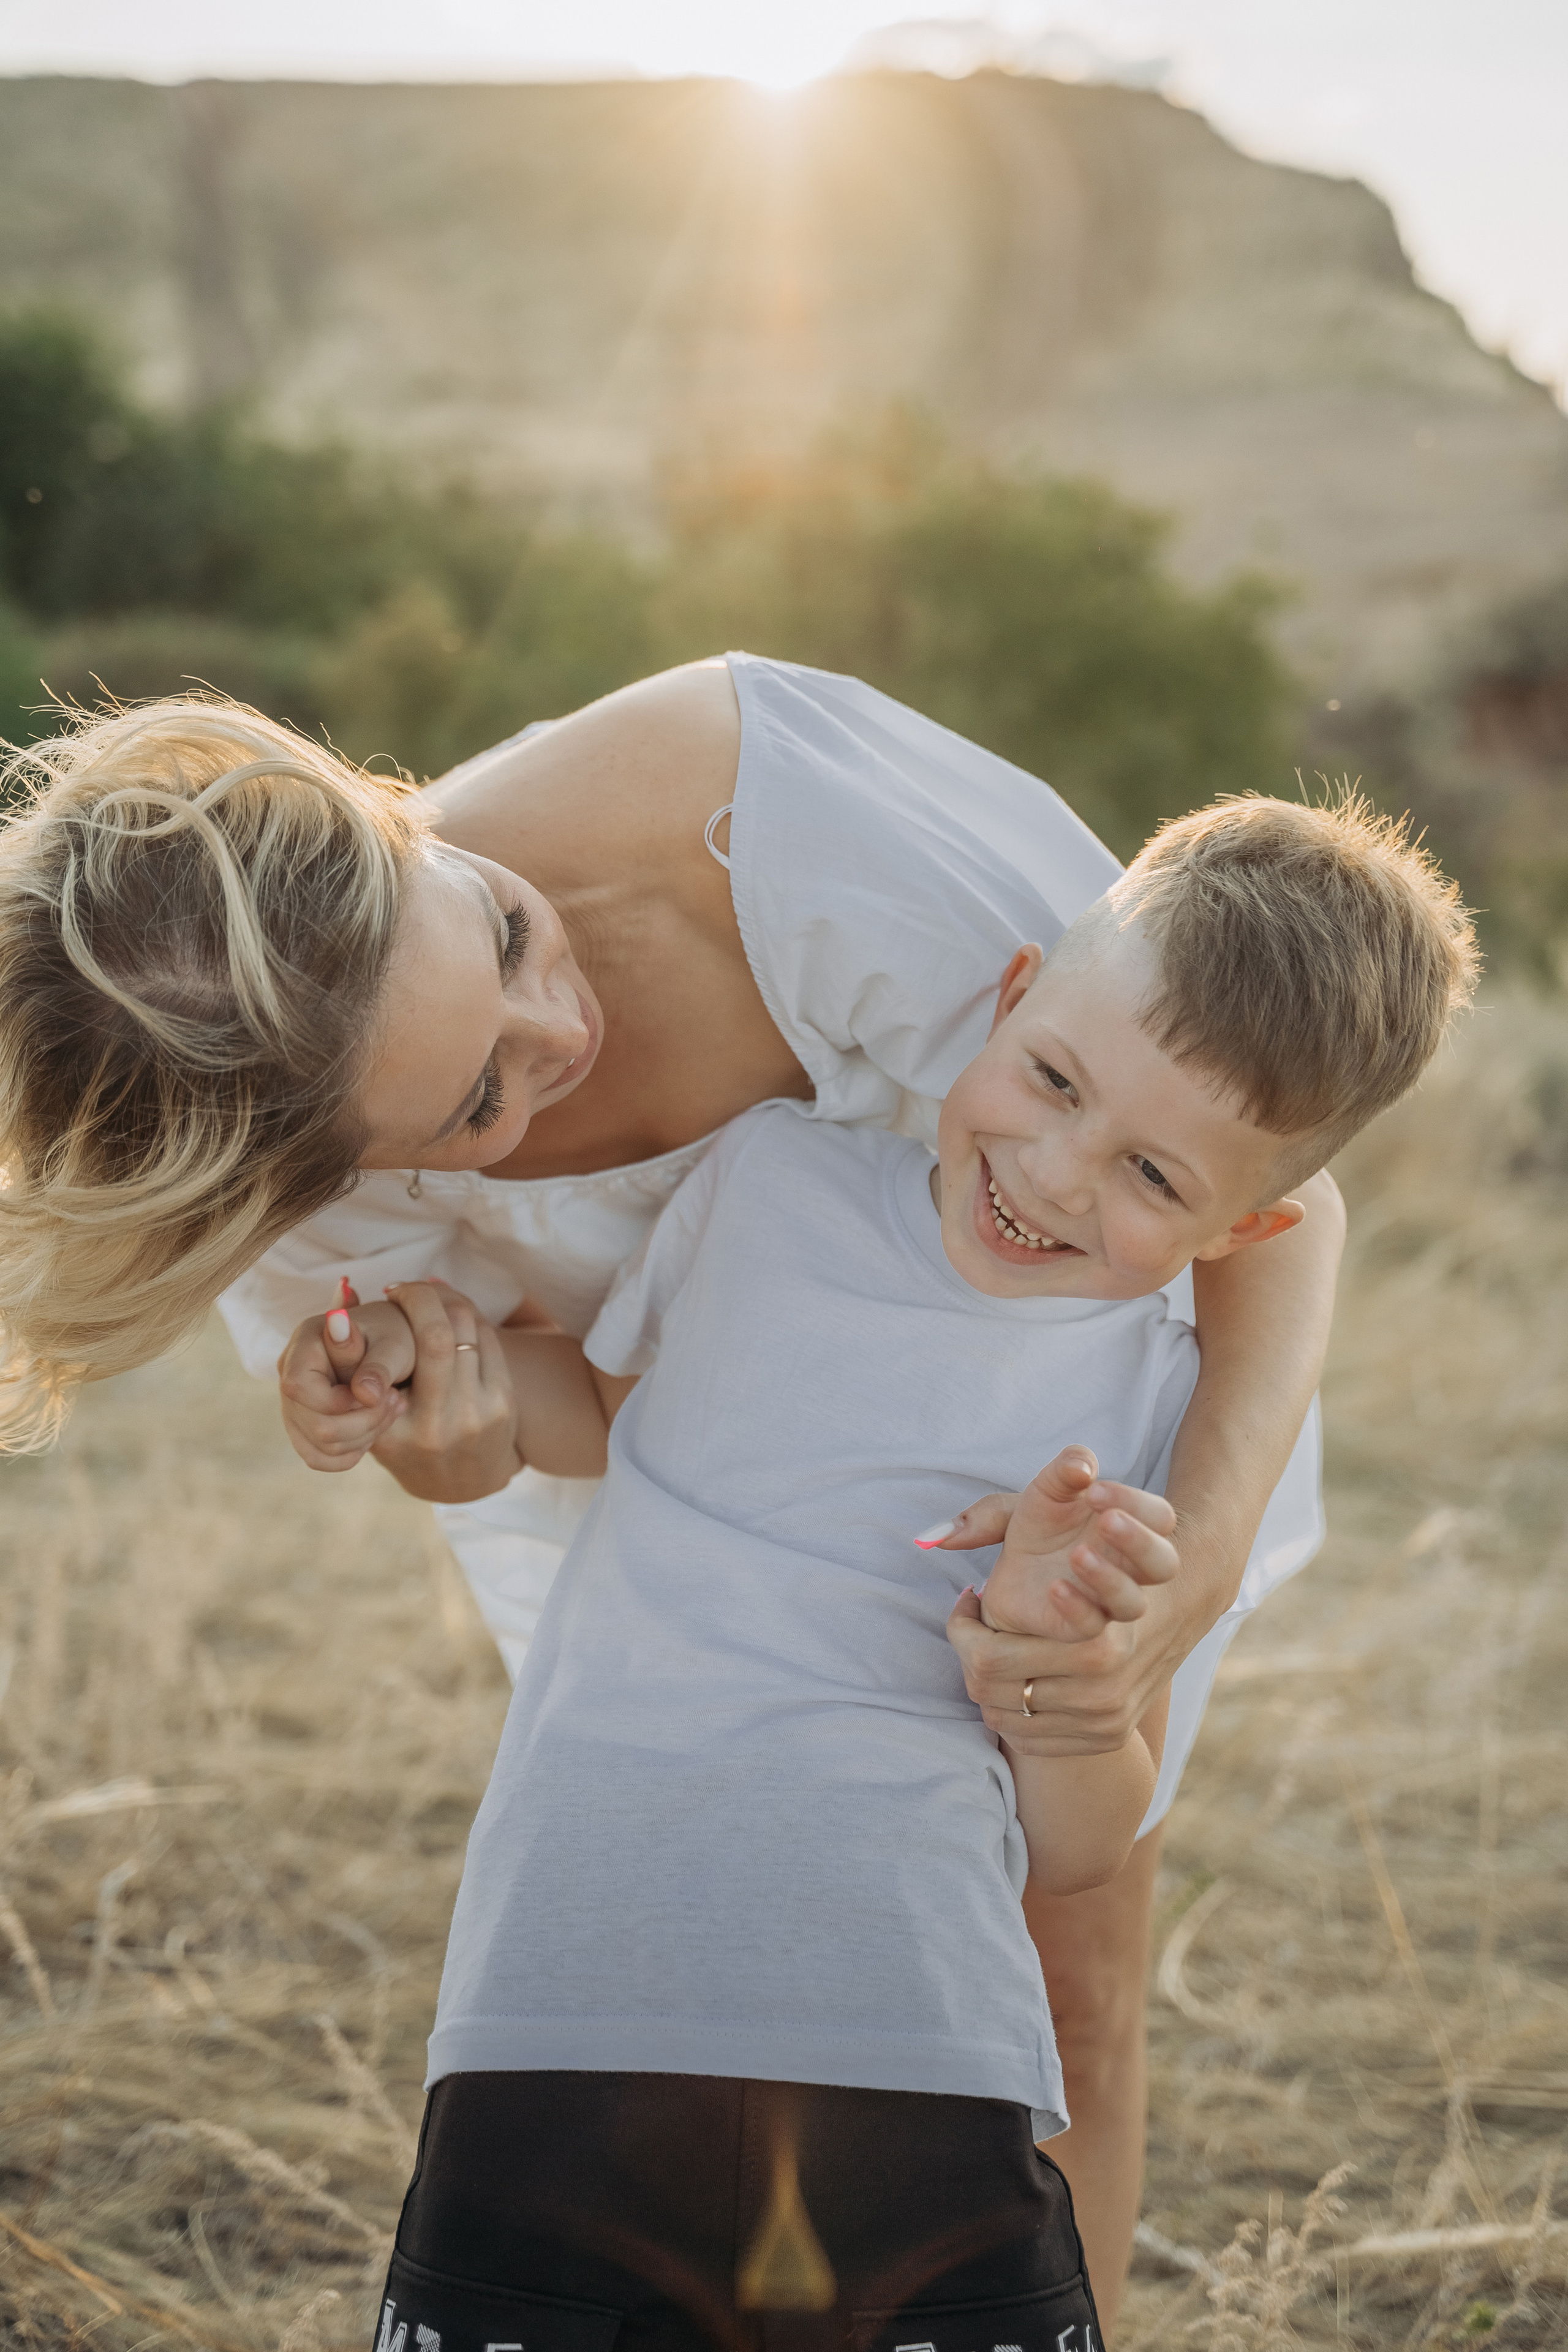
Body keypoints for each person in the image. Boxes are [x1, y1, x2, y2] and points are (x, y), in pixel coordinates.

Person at [0, 657, 1339, 2315]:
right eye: (478, 1098)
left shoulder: (776, 807)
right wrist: (449, 1438)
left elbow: (1282, 1192)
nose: (561, 1028)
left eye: (497, 930)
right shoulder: (303, 1199)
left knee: (1054, 1996)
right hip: (690, 1535)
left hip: (1049, 1476)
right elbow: (548, 1417)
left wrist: (1178, 1579)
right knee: (727, 2022)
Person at [365, 794, 1477, 2350]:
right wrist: (446, 1400)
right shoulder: (766, 1177)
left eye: (1154, 1178)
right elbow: (609, 1416)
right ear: (1010, 993)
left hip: (912, 2059)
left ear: (1252, 1227)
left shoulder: (1153, 1423)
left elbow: (1079, 1846)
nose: (1057, 1175)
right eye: (1049, 1079)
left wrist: (1053, 1685)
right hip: (565, 1999)